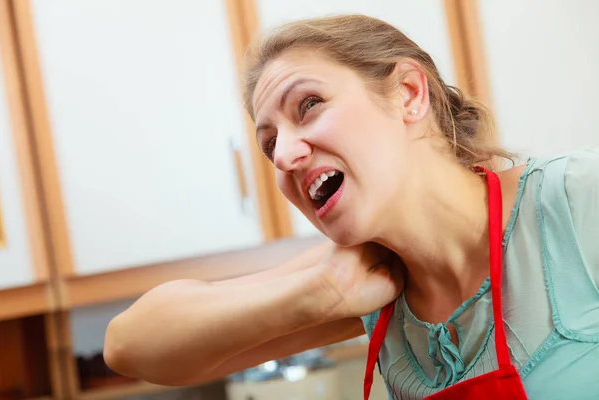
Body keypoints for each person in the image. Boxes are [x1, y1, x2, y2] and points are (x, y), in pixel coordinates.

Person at [104, 14, 599, 399]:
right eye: (269, 142)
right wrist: (322, 292)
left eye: (310, 104)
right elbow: (131, 345)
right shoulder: (369, 283)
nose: (284, 154)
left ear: (408, 94)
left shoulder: (574, 201)